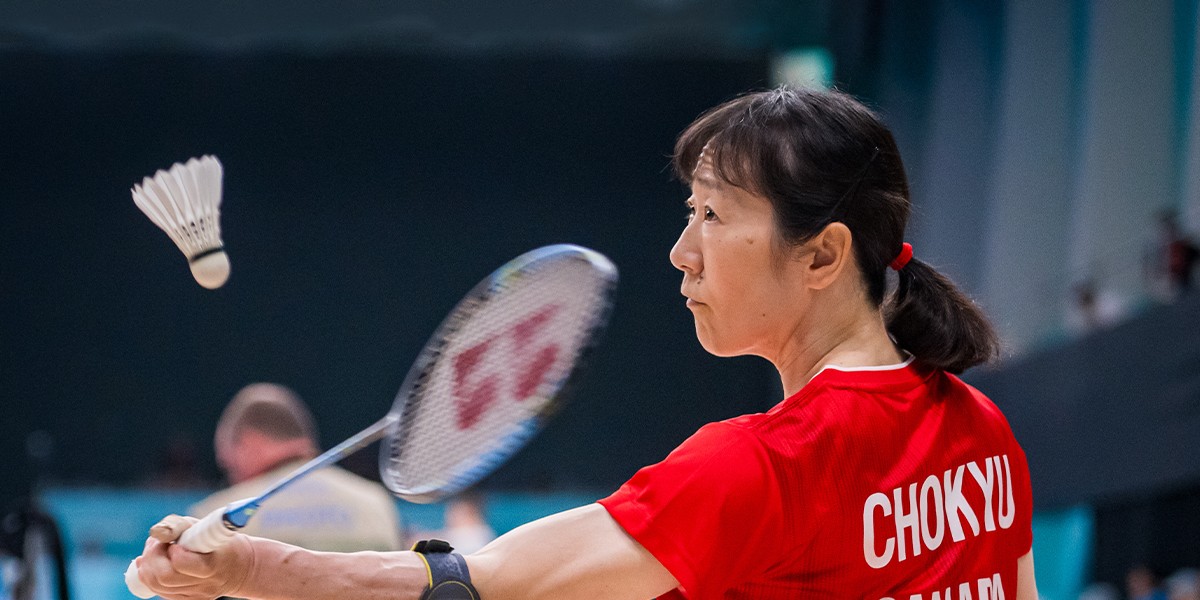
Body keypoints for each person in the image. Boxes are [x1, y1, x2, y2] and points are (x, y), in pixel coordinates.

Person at [133, 87, 1037, 600]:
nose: (681, 253)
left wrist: (248, 565)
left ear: (823, 254)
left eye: (714, 216)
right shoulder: (985, 434)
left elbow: (480, 588)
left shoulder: (765, 467)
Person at [189, 383, 403, 553]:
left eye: (229, 466)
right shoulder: (377, 504)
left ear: (249, 441)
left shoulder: (215, 520)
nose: (231, 479)